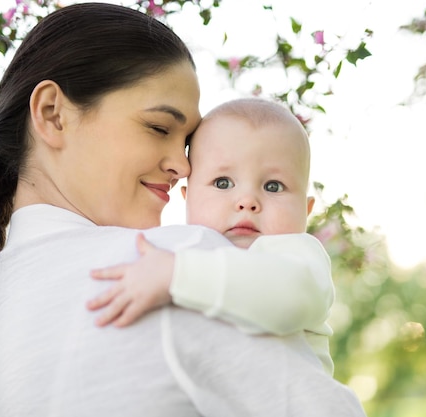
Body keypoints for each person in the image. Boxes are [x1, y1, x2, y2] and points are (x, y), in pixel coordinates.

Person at [0, 3, 367, 417]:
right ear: (53, 114)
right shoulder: (180, 265)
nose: (185, 165)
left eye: (187, 142)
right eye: (159, 127)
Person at [87, 97, 335, 374]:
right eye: (223, 183)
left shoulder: (297, 254)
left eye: (274, 186)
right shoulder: (186, 249)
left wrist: (176, 274)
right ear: (187, 197)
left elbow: (290, 296)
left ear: (306, 209)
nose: (247, 201)